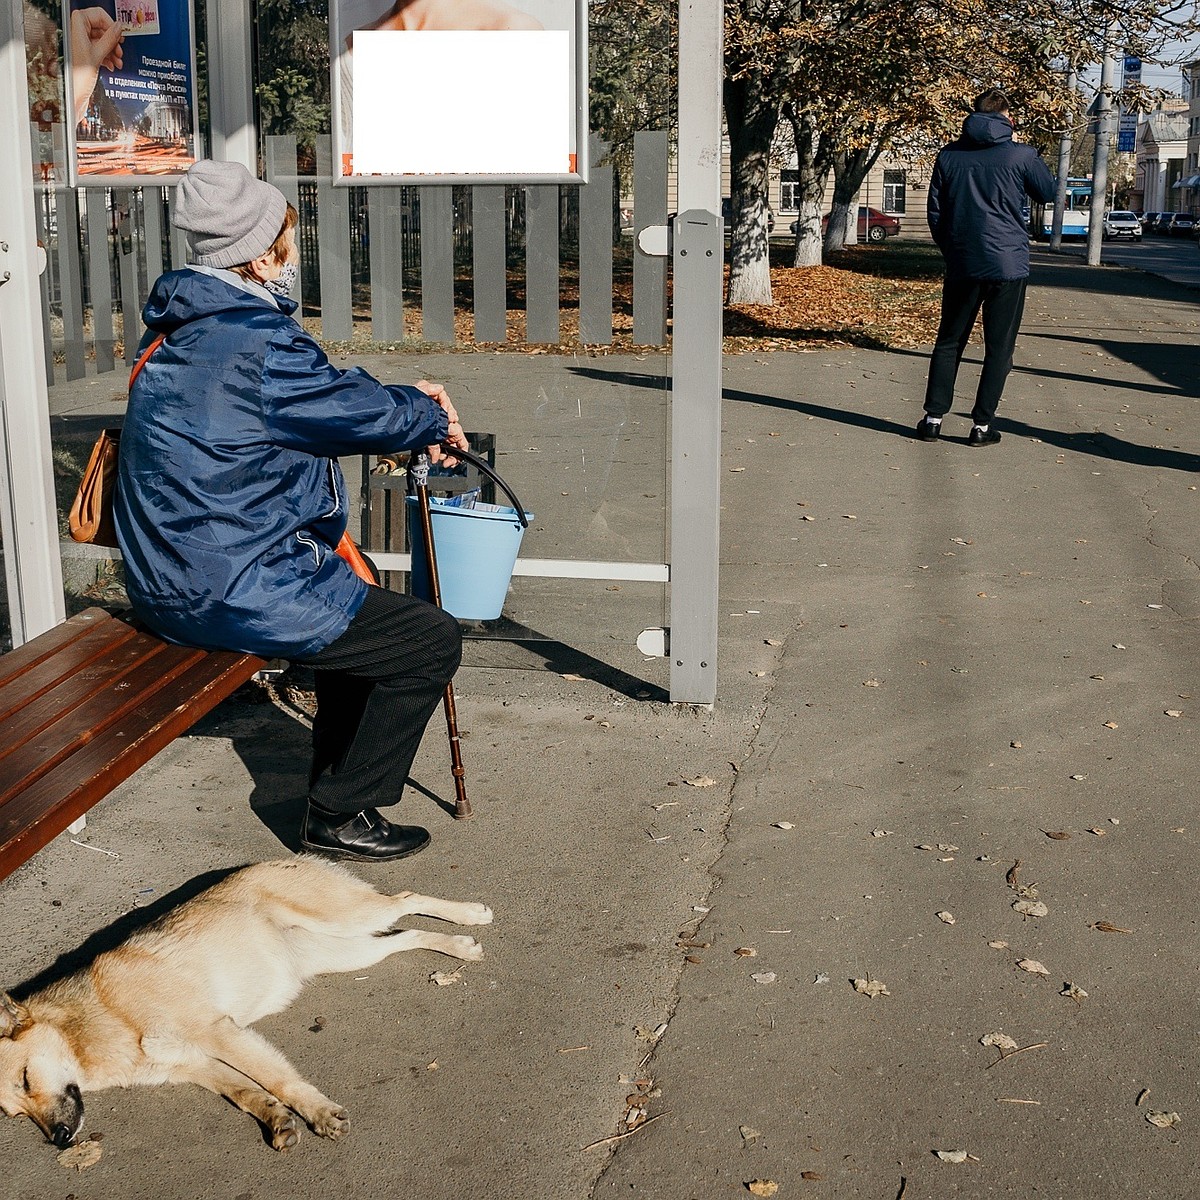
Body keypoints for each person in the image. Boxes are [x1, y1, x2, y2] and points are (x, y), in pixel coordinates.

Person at [114, 159, 470, 862]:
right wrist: (426, 413)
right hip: (230, 587)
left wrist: (400, 405)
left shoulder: (176, 332)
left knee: (359, 606)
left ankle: (338, 796)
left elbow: (322, 402)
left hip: (168, 579)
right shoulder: (257, 342)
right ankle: (340, 813)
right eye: (287, 242)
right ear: (258, 257)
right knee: (429, 639)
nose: (293, 256)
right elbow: (356, 412)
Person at [916, 88, 1057, 447]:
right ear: (1006, 116)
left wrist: (953, 250)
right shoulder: (1021, 155)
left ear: (975, 115)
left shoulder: (948, 156)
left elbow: (936, 212)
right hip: (1007, 265)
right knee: (999, 348)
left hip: (963, 262)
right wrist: (1027, 152)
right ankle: (981, 426)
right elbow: (1048, 192)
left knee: (949, 342)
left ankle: (933, 419)